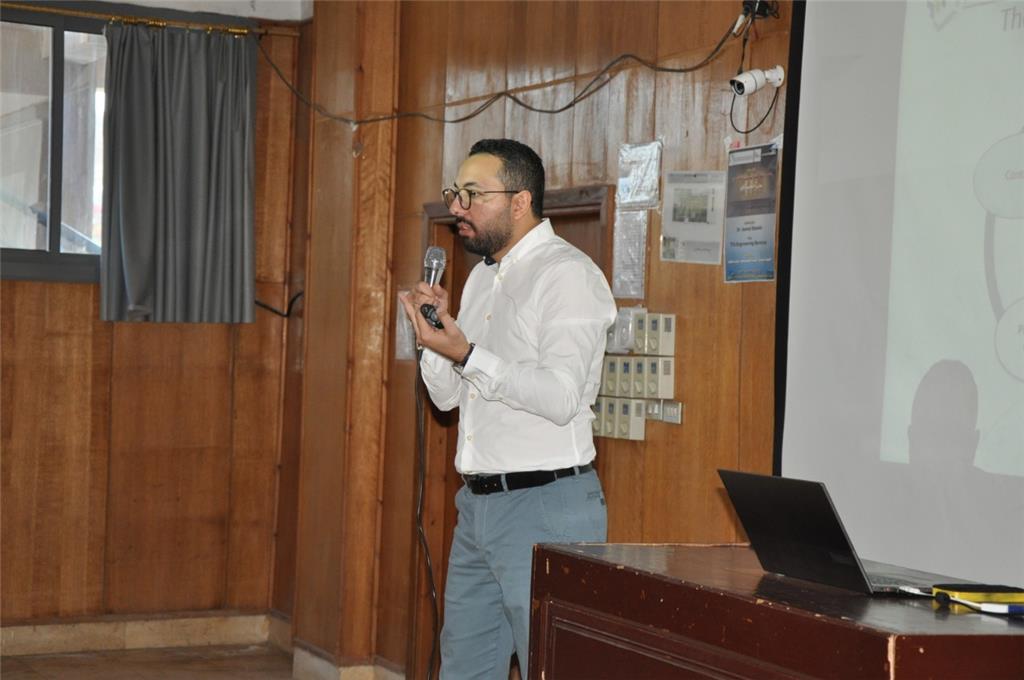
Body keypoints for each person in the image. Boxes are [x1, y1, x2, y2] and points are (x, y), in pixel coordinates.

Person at [399, 139, 616, 679]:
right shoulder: (480, 278)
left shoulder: (567, 274)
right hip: (477, 507)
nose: (457, 207)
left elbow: (561, 397)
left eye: (472, 194)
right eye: (455, 193)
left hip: (546, 505)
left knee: (551, 664)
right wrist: (434, 342)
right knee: (465, 669)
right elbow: (448, 399)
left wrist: (468, 354)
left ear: (520, 202)